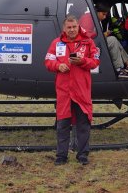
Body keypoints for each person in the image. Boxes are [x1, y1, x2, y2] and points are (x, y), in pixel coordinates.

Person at [44, 14, 100, 165]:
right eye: (69, 27)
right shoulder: (56, 43)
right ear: (64, 28)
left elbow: (95, 61)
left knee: (83, 124)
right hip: (64, 92)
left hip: (81, 91)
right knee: (62, 125)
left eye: (74, 27)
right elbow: (48, 60)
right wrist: (57, 66)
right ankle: (61, 156)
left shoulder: (88, 42)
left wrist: (82, 61)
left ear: (78, 26)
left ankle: (82, 155)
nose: (72, 30)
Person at [79, 3, 128, 77]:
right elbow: (85, 36)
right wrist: (102, 35)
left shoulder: (93, 18)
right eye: (103, 14)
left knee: (114, 40)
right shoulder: (87, 18)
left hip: (93, 42)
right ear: (97, 11)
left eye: (106, 15)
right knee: (113, 40)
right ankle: (118, 69)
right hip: (86, 45)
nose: (104, 17)